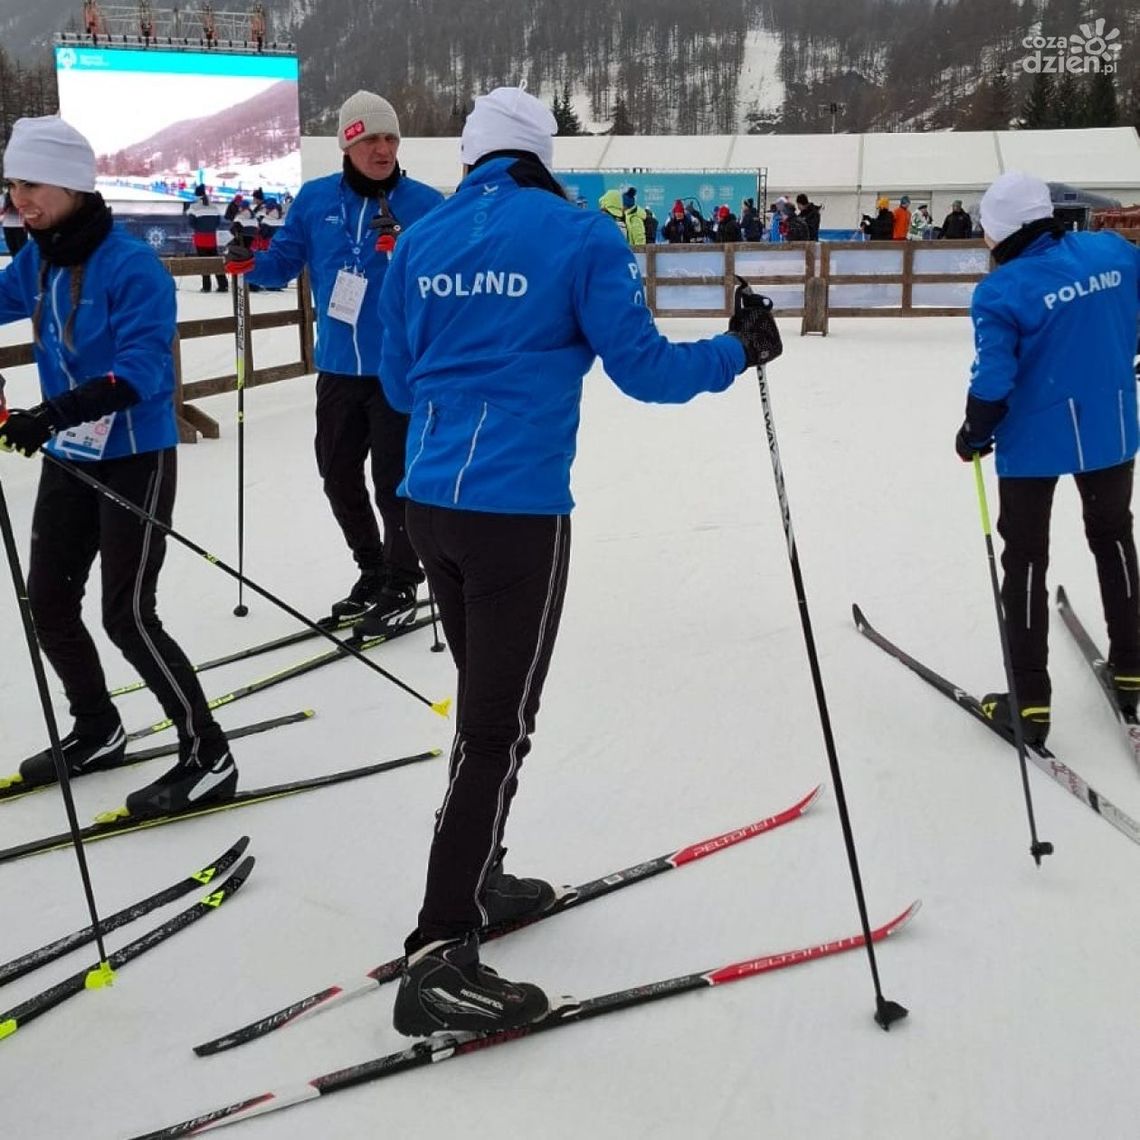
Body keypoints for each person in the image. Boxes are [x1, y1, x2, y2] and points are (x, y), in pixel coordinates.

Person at [376, 85, 781, 1037]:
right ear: (539, 157)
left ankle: (480, 875)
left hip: (429, 501)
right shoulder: (579, 233)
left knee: (487, 711)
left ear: (472, 156)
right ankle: (439, 949)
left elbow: (395, 379)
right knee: (497, 725)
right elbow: (644, 372)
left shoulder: (422, 238)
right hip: (514, 510)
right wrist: (738, 348)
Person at [0, 116, 237, 816]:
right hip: (71, 453)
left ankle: (208, 754)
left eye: (33, 183)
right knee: (46, 600)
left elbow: (141, 371)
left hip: (134, 451)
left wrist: (49, 413)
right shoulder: (37, 258)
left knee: (127, 612)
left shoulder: (133, 265)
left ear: (73, 184)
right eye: (13, 184)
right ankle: (98, 726)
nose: (21, 198)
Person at [224, 91, 444, 633]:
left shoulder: (425, 204)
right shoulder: (315, 199)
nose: (383, 148)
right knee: (338, 475)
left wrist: (408, 258)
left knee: (394, 482)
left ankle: (401, 580)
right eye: (371, 138)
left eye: (391, 138)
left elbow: (447, 283)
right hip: (339, 368)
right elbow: (280, 265)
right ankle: (371, 569)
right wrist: (247, 263)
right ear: (348, 143)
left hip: (399, 368)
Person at [954, 171, 1140, 744]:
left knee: (1027, 559)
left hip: (1033, 442)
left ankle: (1030, 702)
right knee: (1114, 538)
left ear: (1004, 230)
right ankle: (1133, 670)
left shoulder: (1000, 291)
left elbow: (994, 377)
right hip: (1111, 430)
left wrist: (974, 431)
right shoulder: (1112, 250)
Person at [184, 183, 227, 292]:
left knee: (204, 262)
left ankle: (206, 286)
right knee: (216, 261)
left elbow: (191, 223)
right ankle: (223, 285)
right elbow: (218, 222)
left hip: (200, 238)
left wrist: (199, 228)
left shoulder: (193, 207)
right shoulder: (213, 206)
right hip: (212, 238)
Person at [2, 188, 27, 257]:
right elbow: (1, 211)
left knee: (22, 250)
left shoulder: (22, 197)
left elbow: (25, 211)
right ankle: (16, 265)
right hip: (7, 226)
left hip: (20, 226)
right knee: (13, 250)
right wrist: (5, 208)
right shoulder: (3, 198)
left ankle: (23, 266)